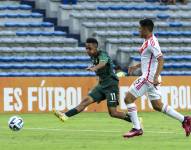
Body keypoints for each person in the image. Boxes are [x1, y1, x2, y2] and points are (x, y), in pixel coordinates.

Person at [123, 19, 191, 138]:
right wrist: (137, 66)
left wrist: (154, 77)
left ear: (145, 29)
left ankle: (137, 128)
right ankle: (185, 119)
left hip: (148, 78)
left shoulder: (152, 43)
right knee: (157, 105)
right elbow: (150, 60)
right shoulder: (147, 41)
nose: (138, 30)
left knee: (128, 99)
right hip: (151, 77)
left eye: (140, 28)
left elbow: (160, 59)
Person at [53, 38, 135, 127]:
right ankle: (65, 115)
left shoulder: (102, 54)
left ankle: (136, 120)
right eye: (86, 48)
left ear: (96, 47)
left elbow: (102, 63)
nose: (87, 51)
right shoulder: (93, 57)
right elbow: (100, 75)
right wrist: (95, 90)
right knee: (85, 101)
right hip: (102, 85)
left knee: (113, 113)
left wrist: (94, 68)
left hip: (111, 85)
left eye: (90, 48)